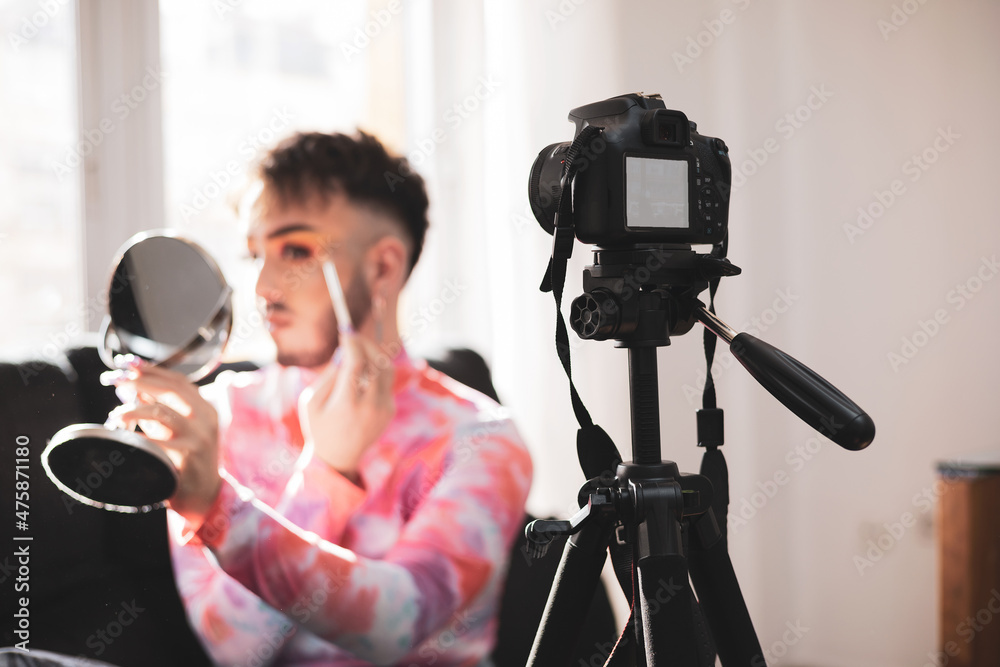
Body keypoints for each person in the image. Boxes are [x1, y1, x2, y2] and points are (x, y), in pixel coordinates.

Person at [109, 131, 533, 665]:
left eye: (294, 250)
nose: (261, 287)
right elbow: (236, 649)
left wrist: (305, 480)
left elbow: (399, 626)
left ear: (382, 267)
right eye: (254, 254)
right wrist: (322, 477)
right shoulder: (218, 419)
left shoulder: (480, 439)